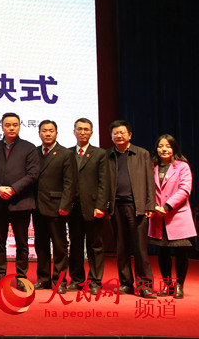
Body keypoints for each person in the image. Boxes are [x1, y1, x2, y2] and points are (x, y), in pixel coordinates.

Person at [0, 112, 40, 291]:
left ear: (20, 126)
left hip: (21, 203)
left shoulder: (29, 148)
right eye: (8, 125)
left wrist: (13, 189)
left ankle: (21, 277)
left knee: (22, 243)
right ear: (2, 127)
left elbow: (33, 174)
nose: (11, 128)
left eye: (15, 125)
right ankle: (0, 275)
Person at [107, 119, 156, 298]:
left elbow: (149, 181)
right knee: (121, 248)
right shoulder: (107, 155)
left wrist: (150, 205)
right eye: (115, 133)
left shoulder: (142, 154)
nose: (119, 136)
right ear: (111, 136)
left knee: (140, 249)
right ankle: (126, 283)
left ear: (130, 135)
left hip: (137, 207)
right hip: (116, 207)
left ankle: (145, 286)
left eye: (122, 132)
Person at [148, 134, 195, 299]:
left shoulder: (182, 166)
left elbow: (185, 189)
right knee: (163, 253)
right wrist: (153, 206)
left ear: (174, 148)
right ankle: (168, 285)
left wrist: (167, 206)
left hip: (177, 216)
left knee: (181, 253)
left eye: (168, 146)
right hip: (158, 216)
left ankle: (180, 285)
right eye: (161, 146)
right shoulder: (151, 166)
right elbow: (147, 188)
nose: (164, 149)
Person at [32, 120, 76, 293]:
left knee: (59, 246)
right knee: (41, 245)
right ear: (39, 133)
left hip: (57, 207)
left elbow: (70, 183)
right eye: (44, 130)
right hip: (37, 207)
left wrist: (65, 205)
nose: (48, 133)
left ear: (56, 133)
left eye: (51, 130)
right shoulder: (34, 152)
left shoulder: (66, 154)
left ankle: (60, 281)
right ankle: (43, 279)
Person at [66, 118, 108, 295]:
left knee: (95, 245)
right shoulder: (67, 153)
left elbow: (104, 182)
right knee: (75, 245)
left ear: (91, 133)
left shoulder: (100, 154)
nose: (82, 132)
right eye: (79, 129)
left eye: (86, 129)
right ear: (74, 132)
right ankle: (76, 279)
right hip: (73, 208)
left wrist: (101, 206)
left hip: (93, 208)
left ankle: (95, 281)